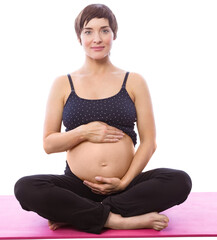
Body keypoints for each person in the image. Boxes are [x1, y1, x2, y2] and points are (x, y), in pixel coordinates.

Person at [14, 4, 192, 234]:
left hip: (125, 185)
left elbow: (149, 142)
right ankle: (116, 220)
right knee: (26, 188)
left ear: (114, 34)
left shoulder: (134, 81)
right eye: (88, 31)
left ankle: (79, 214)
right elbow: (49, 144)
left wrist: (125, 181)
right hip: (78, 185)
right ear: (79, 37)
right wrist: (83, 132)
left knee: (180, 181)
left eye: (104, 30)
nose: (96, 38)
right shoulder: (62, 84)